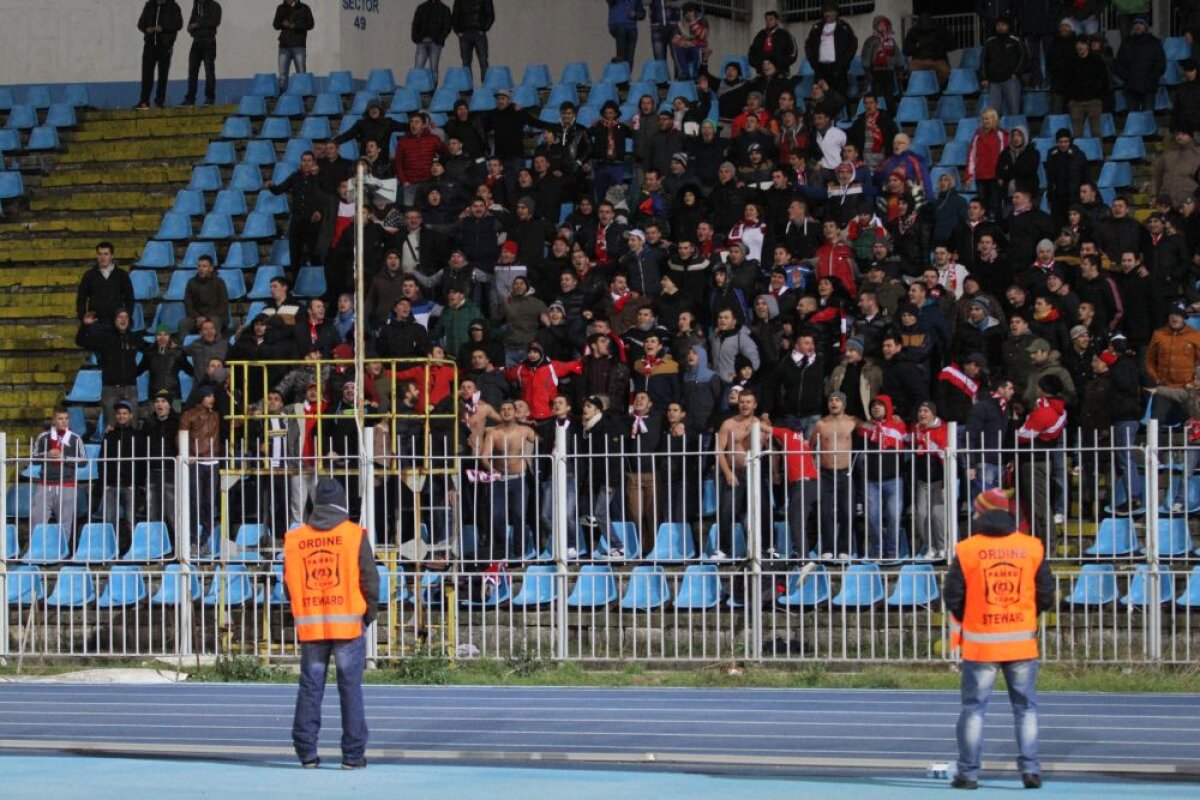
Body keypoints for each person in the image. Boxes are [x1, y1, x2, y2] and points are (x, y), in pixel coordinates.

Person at [943, 488, 1054, 790]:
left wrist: (974, 616)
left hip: (981, 643)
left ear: (980, 513)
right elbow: (1046, 594)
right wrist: (1026, 617)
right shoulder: (1031, 546)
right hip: (1021, 642)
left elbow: (952, 595)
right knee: (1026, 708)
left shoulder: (967, 549)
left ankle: (968, 774)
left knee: (974, 709)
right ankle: (1030, 770)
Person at [284, 477, 377, 770]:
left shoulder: (296, 539)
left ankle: (306, 753)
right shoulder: (353, 535)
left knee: (311, 687)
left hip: (311, 624)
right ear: (342, 503)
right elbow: (370, 580)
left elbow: (289, 583)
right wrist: (368, 614)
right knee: (350, 688)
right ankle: (352, 756)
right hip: (349, 624)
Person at [29, 407, 87, 546]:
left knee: (65, 523)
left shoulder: (75, 438)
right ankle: (37, 550)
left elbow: (83, 461)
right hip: (45, 484)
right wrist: (47, 455)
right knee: (37, 520)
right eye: (60, 419)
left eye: (66, 419)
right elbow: (34, 458)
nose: (64, 421)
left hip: (66, 485)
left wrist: (65, 458)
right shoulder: (44, 437)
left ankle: (62, 551)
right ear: (54, 420)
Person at [136, 0, 183, 110]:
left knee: (163, 75)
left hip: (165, 45)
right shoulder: (149, 5)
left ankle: (159, 102)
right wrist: (146, 28)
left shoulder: (173, 6)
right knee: (147, 73)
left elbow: (178, 24)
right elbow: (140, 23)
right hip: (150, 45)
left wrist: (163, 28)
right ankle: (144, 101)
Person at [76, 242, 135, 328]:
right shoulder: (89, 275)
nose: (102, 257)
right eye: (99, 254)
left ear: (112, 256)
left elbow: (130, 298)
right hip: (96, 323)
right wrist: (83, 317)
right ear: (97, 256)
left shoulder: (122, 275)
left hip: (116, 324)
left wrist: (126, 316)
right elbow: (81, 299)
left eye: (106, 254)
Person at [804, 1, 857, 97]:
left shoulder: (844, 27)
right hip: (820, 69)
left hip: (838, 69)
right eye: (825, 11)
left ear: (836, 12)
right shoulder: (816, 27)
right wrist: (813, 62)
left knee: (839, 97)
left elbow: (853, 44)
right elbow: (808, 45)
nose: (827, 14)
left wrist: (844, 62)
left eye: (830, 11)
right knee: (820, 98)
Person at [980, 14, 1024, 118]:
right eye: (998, 25)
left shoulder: (1015, 40)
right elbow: (983, 60)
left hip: (1010, 80)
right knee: (993, 115)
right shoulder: (990, 41)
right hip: (993, 82)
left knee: (1014, 112)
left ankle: (1014, 133)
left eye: (1003, 25)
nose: (1000, 27)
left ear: (1008, 26)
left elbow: (1023, 58)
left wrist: (1016, 73)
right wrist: (984, 78)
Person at [180, 0, 220, 106]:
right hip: (196, 41)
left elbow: (215, 22)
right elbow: (191, 22)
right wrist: (190, 28)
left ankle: (210, 98)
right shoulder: (196, 6)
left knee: (209, 70)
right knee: (192, 70)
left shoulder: (215, 6)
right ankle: (190, 98)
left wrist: (197, 25)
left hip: (209, 41)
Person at [273, 0, 315, 94]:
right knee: (282, 75)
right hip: (284, 46)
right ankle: (283, 97)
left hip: (299, 45)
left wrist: (295, 26)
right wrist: (282, 24)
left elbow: (310, 24)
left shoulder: (304, 8)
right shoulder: (281, 8)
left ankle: (303, 96)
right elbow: (275, 25)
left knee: (301, 74)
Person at [451, 0, 495, 83]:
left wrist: (484, 29)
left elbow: (490, 15)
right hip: (465, 33)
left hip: (478, 33)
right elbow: (455, 15)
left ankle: (486, 86)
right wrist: (458, 31)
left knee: (483, 61)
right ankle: (468, 88)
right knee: (466, 63)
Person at [412, 0, 453, 82]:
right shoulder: (421, 8)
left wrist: (437, 39)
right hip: (422, 42)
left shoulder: (445, 9)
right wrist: (418, 38)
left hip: (436, 43)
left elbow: (447, 27)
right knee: (418, 68)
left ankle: (432, 91)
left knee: (433, 68)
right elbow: (415, 25)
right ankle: (416, 89)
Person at [749, 10, 799, 76]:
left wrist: (781, 63)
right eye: (766, 20)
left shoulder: (785, 35)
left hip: (780, 73)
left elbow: (793, 53)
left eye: (771, 19)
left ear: (777, 21)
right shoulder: (760, 35)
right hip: (762, 73)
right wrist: (757, 64)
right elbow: (752, 52)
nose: (768, 22)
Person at [607, 0, 645, 67]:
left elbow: (642, 14)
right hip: (617, 25)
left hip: (631, 27)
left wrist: (635, 14)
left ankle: (627, 74)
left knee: (630, 57)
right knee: (621, 51)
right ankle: (619, 61)